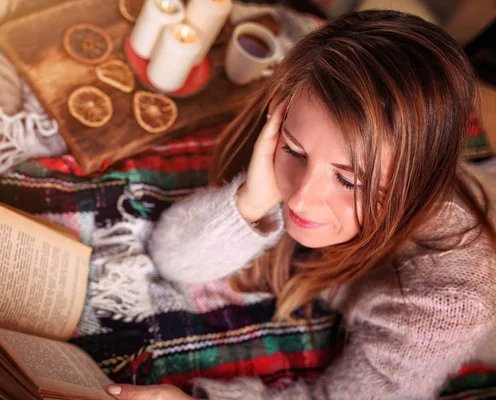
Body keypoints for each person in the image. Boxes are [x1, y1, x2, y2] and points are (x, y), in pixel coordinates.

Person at [104, 9, 496, 400]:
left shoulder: (452, 301)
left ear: (412, 187)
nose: (301, 199)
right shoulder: (300, 155)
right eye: (294, 148)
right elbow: (172, 258)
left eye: (348, 180)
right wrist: (249, 202)